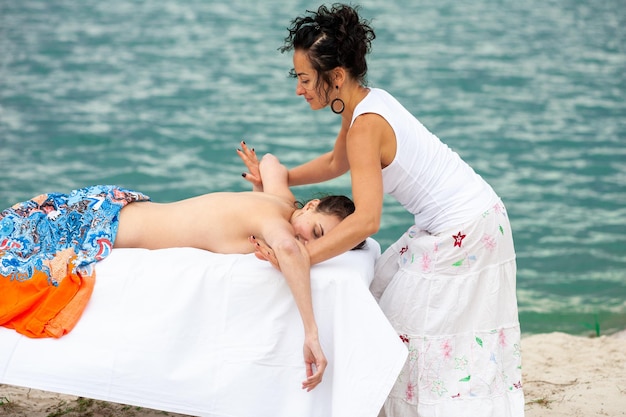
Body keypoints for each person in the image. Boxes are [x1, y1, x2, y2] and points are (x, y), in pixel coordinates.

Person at [238, 4, 524, 416]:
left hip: (465, 230)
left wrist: (298, 258)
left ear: (335, 77)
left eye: (303, 79)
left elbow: (367, 221)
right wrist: (279, 176)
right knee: (383, 303)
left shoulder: (365, 125)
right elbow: (337, 163)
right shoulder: (366, 103)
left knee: (401, 336)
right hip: (467, 221)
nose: (298, 89)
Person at [0, 153, 356, 392]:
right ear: (310, 205)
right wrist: (311, 332)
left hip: (117, 205)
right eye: (317, 233)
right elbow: (291, 250)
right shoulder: (275, 220)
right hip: (104, 226)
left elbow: (272, 161)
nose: (309, 243)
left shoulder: (281, 202)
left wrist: (260, 182)